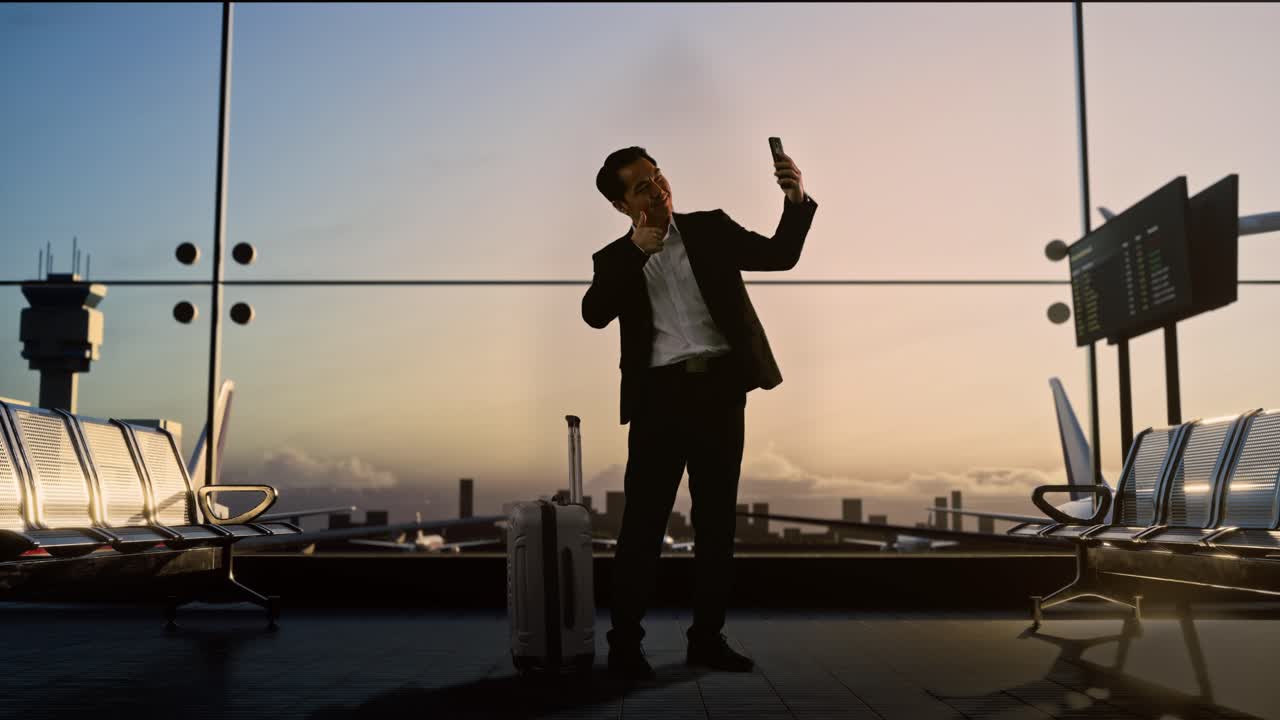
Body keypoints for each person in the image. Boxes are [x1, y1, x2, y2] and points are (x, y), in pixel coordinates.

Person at [582, 145, 818, 682]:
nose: (658, 188)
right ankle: (625, 647)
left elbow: (781, 255)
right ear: (622, 206)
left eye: (658, 175)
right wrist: (636, 253)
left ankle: (707, 640)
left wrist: (795, 197)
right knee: (642, 528)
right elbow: (594, 314)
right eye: (641, 187)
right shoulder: (614, 258)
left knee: (716, 528)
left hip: (719, 395)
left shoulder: (709, 228)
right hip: (659, 402)